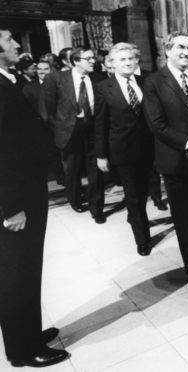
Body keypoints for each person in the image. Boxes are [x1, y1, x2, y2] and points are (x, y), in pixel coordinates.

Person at [0, 27, 70, 368]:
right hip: (14, 202)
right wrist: (10, 208)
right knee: (14, 274)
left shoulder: (9, 79)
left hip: (27, 192)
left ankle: (29, 332)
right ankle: (21, 350)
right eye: (8, 40)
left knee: (29, 268)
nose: (16, 45)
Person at [143, 31, 188, 292]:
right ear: (167, 49)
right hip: (175, 160)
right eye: (180, 47)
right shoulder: (154, 82)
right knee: (182, 217)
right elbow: (157, 124)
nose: (186, 52)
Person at [94, 43, 155, 256]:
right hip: (122, 150)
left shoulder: (145, 82)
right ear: (112, 63)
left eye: (131, 59)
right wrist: (101, 154)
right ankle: (142, 239)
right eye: (122, 59)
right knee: (133, 196)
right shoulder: (104, 88)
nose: (128, 63)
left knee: (142, 191)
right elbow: (100, 124)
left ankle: (135, 216)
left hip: (147, 149)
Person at [41, 47, 106, 223]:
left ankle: (96, 208)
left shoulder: (99, 79)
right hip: (69, 131)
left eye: (94, 58)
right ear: (76, 61)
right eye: (88, 58)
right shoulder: (56, 78)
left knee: (95, 170)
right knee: (72, 169)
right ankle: (75, 200)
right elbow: (48, 109)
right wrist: (59, 128)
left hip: (92, 130)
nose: (93, 61)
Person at [131, 44, 167, 212]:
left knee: (153, 168)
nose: (129, 62)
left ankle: (157, 197)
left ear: (138, 59)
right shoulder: (114, 80)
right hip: (129, 135)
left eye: (132, 58)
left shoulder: (150, 77)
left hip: (150, 130)